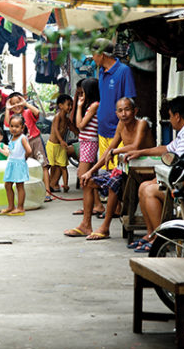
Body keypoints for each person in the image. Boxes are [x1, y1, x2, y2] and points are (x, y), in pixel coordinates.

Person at [122, 95, 184, 252]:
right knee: (143, 187)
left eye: (171, 116)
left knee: (149, 190)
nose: (170, 119)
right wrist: (140, 152)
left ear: (178, 116)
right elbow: (167, 149)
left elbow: (177, 166)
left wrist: (156, 180)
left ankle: (160, 239)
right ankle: (151, 235)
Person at [64, 97, 153, 241]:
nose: (124, 114)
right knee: (87, 181)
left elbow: (135, 146)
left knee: (113, 181)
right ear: (116, 113)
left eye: (127, 110)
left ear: (135, 111)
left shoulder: (142, 123)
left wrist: (114, 152)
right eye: (120, 111)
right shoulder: (121, 125)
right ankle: (86, 225)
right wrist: (90, 171)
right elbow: (109, 150)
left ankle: (105, 227)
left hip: (145, 172)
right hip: (126, 171)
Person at [91, 38, 136, 171]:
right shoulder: (101, 72)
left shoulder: (124, 71)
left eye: (94, 55)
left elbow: (130, 102)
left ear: (102, 55)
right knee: (107, 171)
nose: (93, 59)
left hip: (118, 132)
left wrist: (122, 130)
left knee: (119, 172)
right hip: (102, 130)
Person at [4, 91, 51, 201]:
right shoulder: (11, 117)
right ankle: (32, 194)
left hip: (35, 140)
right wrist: (7, 108)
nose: (16, 105)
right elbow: (7, 123)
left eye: (18, 102)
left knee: (43, 165)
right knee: (28, 168)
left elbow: (37, 112)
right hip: (22, 145)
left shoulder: (28, 112)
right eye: (13, 103)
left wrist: (25, 104)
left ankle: (48, 192)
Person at [74, 78, 101, 214]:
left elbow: (80, 125)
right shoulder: (91, 105)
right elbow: (80, 125)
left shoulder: (94, 105)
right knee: (87, 177)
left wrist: (79, 107)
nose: (81, 95)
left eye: (83, 92)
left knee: (83, 176)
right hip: (86, 142)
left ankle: (91, 207)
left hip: (89, 143)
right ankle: (96, 205)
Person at [0, 114, 32, 216]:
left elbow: (29, 150)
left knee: (19, 186)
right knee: (7, 185)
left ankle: (20, 207)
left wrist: (24, 158)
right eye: (12, 126)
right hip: (11, 163)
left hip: (19, 164)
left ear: (22, 128)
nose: (14, 129)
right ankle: (11, 206)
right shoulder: (12, 137)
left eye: (17, 126)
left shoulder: (22, 138)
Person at [46, 93, 74, 193]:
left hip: (61, 146)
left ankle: (65, 184)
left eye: (71, 105)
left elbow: (73, 128)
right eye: (68, 105)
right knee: (51, 166)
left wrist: (80, 136)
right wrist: (61, 140)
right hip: (53, 145)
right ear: (60, 105)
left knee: (63, 166)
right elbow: (56, 130)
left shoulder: (67, 119)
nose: (70, 107)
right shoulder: (57, 117)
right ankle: (49, 184)